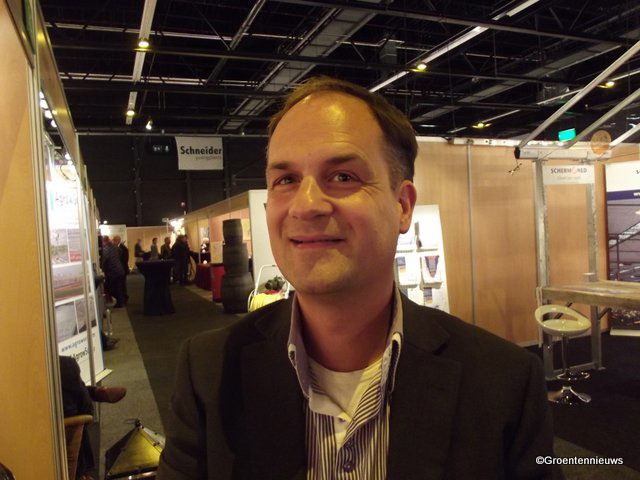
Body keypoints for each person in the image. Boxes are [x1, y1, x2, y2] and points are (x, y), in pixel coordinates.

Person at [157, 77, 558, 479]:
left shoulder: (502, 384)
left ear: (402, 206)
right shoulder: (209, 372)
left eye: (343, 177)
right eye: (286, 180)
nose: (306, 205)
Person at [59, 355, 126, 480]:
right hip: (66, 432)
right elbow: (86, 409)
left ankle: (94, 392)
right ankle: (95, 392)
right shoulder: (64, 365)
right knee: (77, 410)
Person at [101, 236, 126, 308]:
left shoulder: (105, 249)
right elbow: (120, 254)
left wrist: (103, 269)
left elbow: (105, 261)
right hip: (120, 270)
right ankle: (121, 302)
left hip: (112, 272)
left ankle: (116, 303)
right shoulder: (116, 247)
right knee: (119, 287)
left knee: (113, 288)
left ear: (104, 241)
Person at [112, 235, 130, 304]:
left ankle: (124, 299)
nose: (113, 242)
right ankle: (124, 298)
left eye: (114, 241)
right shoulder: (121, 247)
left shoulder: (122, 248)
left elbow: (124, 260)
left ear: (117, 240)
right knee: (122, 285)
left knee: (122, 285)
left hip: (123, 269)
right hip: (122, 269)